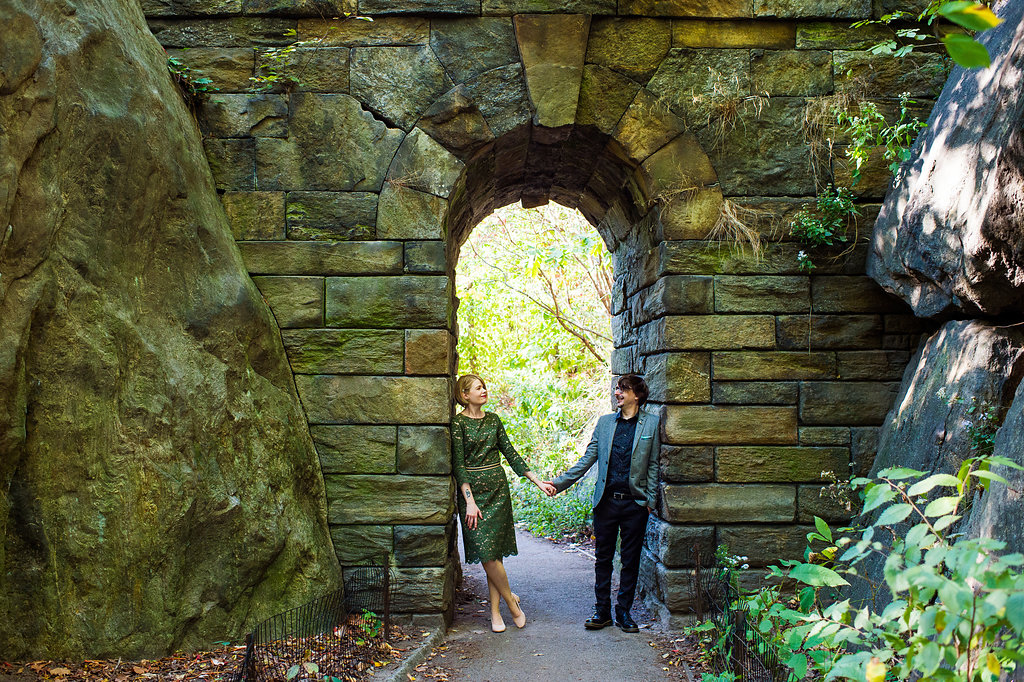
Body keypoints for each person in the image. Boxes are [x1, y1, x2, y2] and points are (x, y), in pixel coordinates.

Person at [543, 374, 660, 633]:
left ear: (637, 395)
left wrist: (649, 500)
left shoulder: (651, 424)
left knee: (630, 561)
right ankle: (602, 611)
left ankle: (624, 612)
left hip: (635, 505)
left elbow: (653, 464)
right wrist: (559, 483)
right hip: (606, 503)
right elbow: (587, 460)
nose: (617, 393)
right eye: (617, 388)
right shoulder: (606, 423)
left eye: (623, 389)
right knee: (602, 559)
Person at [451, 374, 556, 633]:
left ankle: (495, 613)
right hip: (473, 495)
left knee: (494, 554)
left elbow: (511, 454)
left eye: (484, 386)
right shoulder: (457, 424)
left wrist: (538, 481)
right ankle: (511, 602)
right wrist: (470, 502)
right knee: (486, 554)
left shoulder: (494, 421)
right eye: (478, 388)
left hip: (498, 491)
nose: (484, 390)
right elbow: (459, 466)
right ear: (465, 395)